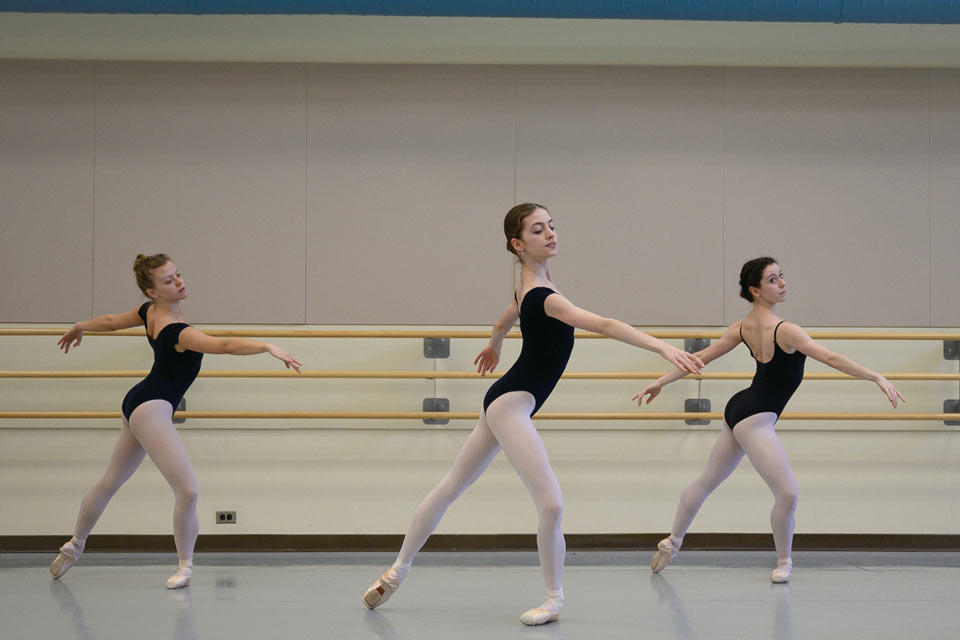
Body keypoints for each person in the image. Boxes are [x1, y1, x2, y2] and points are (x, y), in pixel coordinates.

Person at [362, 203, 704, 625]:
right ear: (518, 244)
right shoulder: (544, 296)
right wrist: (663, 347)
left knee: (450, 487)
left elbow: (506, 317)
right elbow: (605, 324)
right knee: (552, 504)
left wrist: (496, 343)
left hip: (504, 400)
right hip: (511, 405)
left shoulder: (529, 290)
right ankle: (554, 598)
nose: (551, 234)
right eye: (539, 230)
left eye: (553, 226)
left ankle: (394, 574)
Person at [636, 257, 904, 583]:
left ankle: (672, 541)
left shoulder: (741, 327)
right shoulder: (786, 330)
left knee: (706, 481)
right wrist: (875, 375)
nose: (782, 283)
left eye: (782, 276)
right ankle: (784, 562)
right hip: (756, 417)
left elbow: (697, 360)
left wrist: (662, 381)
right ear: (756, 290)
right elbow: (831, 357)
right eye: (773, 280)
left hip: (739, 410)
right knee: (787, 494)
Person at [50, 253, 302, 588]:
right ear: (152, 292)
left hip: (138, 402)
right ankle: (185, 567)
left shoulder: (148, 313)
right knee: (188, 490)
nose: (179, 282)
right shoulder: (178, 331)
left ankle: (74, 544)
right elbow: (223, 345)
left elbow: (111, 321)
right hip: (152, 407)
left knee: (111, 481)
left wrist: (81, 326)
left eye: (178, 275)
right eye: (169, 281)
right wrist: (267, 346)